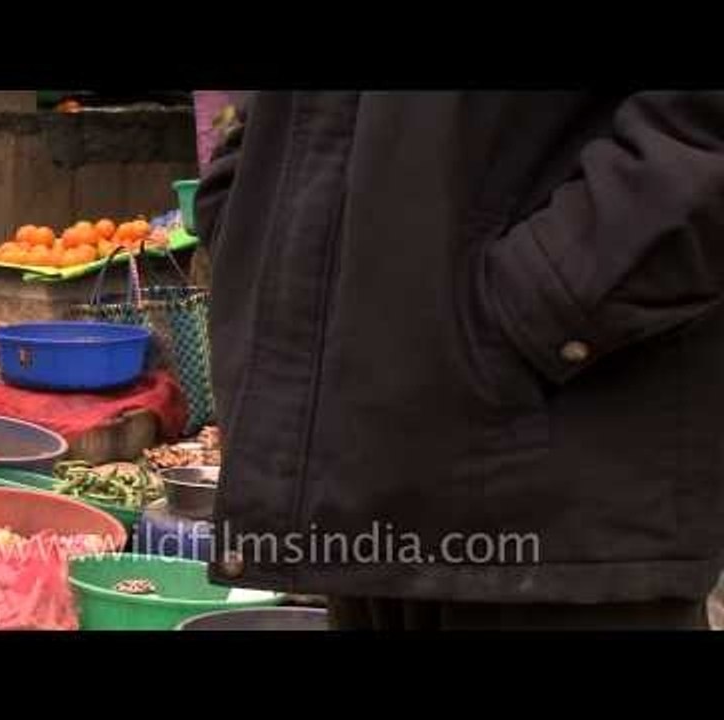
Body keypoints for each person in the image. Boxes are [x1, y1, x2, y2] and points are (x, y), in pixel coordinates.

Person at [194, 92, 724, 630]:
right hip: (364, 483)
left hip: (556, 492)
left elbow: (697, 145)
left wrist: (542, 306)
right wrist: (241, 201)